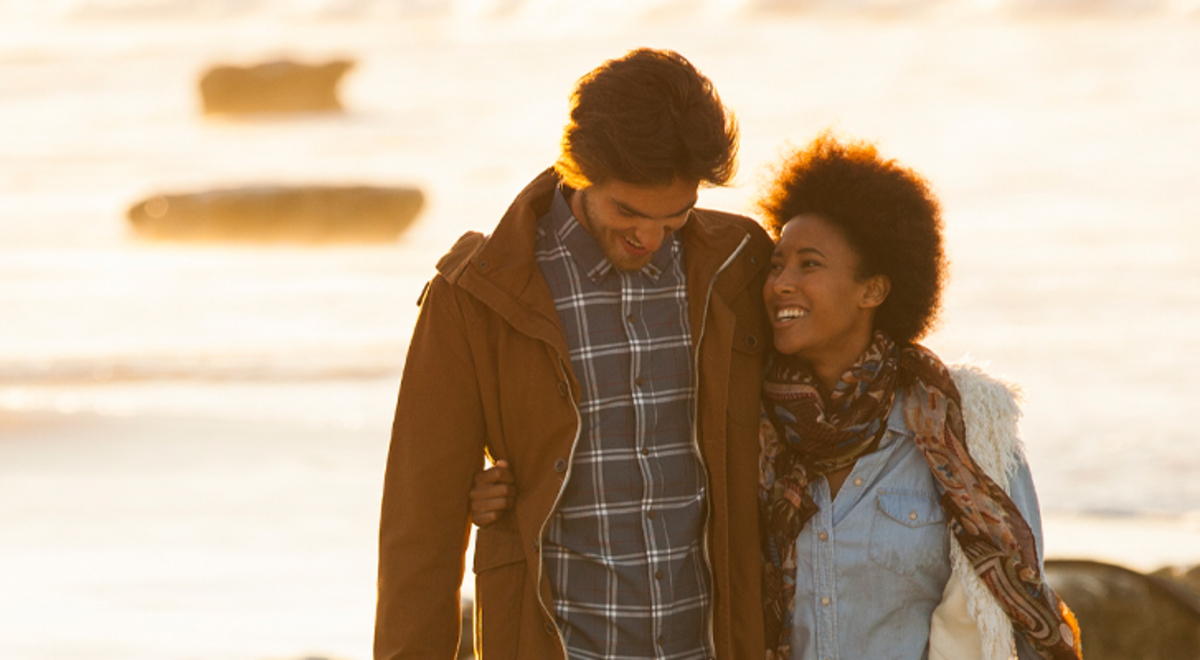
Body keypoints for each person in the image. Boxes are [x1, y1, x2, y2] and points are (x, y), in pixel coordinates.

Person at [470, 133, 1084, 660]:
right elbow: (631, 476)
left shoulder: (968, 430)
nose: (781, 283)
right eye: (777, 264)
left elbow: (1007, 617)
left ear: (873, 289)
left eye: (809, 265)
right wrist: (506, 488)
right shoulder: (738, 418)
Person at [375, 48, 773, 660]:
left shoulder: (738, 267)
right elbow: (418, 540)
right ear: (579, 168)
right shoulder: (476, 298)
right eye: (628, 212)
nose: (649, 238)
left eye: (676, 217)